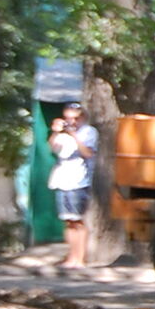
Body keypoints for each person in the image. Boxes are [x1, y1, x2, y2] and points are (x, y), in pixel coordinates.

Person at [48, 101, 96, 269]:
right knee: (68, 220)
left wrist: (73, 134)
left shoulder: (88, 132)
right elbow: (52, 147)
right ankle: (71, 257)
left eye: (76, 118)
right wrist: (56, 132)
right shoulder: (62, 134)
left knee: (78, 220)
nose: (72, 122)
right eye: (68, 118)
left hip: (79, 180)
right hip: (62, 180)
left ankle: (80, 259)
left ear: (82, 118)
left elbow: (88, 153)